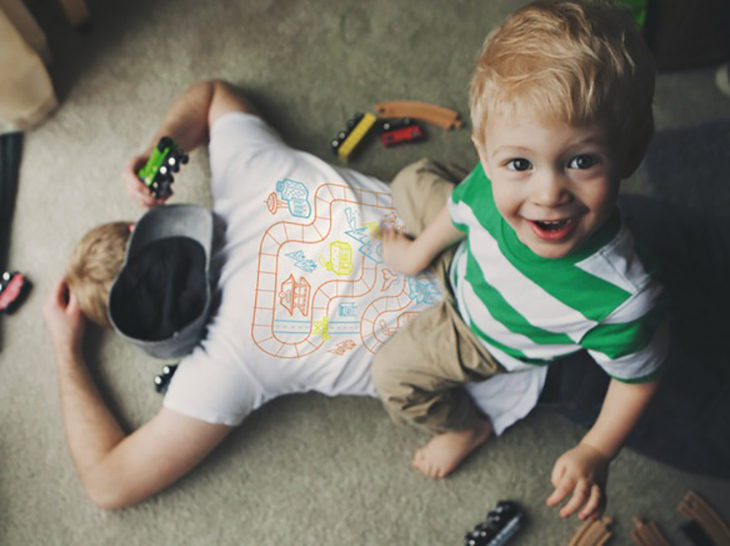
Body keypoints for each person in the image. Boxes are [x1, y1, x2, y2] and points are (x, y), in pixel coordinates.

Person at [44, 79, 547, 510]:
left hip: (514, 360)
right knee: (420, 186)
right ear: (151, 227)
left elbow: (107, 484)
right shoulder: (248, 173)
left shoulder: (223, 366)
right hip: (528, 238)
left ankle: (466, 426)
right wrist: (162, 146)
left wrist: (67, 353)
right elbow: (213, 92)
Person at [372, 0, 665, 521]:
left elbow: (638, 378)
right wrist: (418, 252)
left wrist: (597, 449)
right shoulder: (487, 183)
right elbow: (460, 212)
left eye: (581, 161)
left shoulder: (620, 298)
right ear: (484, 154)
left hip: (483, 335)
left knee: (393, 373)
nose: (549, 192)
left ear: (630, 153)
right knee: (413, 178)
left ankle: (466, 427)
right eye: (520, 163)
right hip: (462, 261)